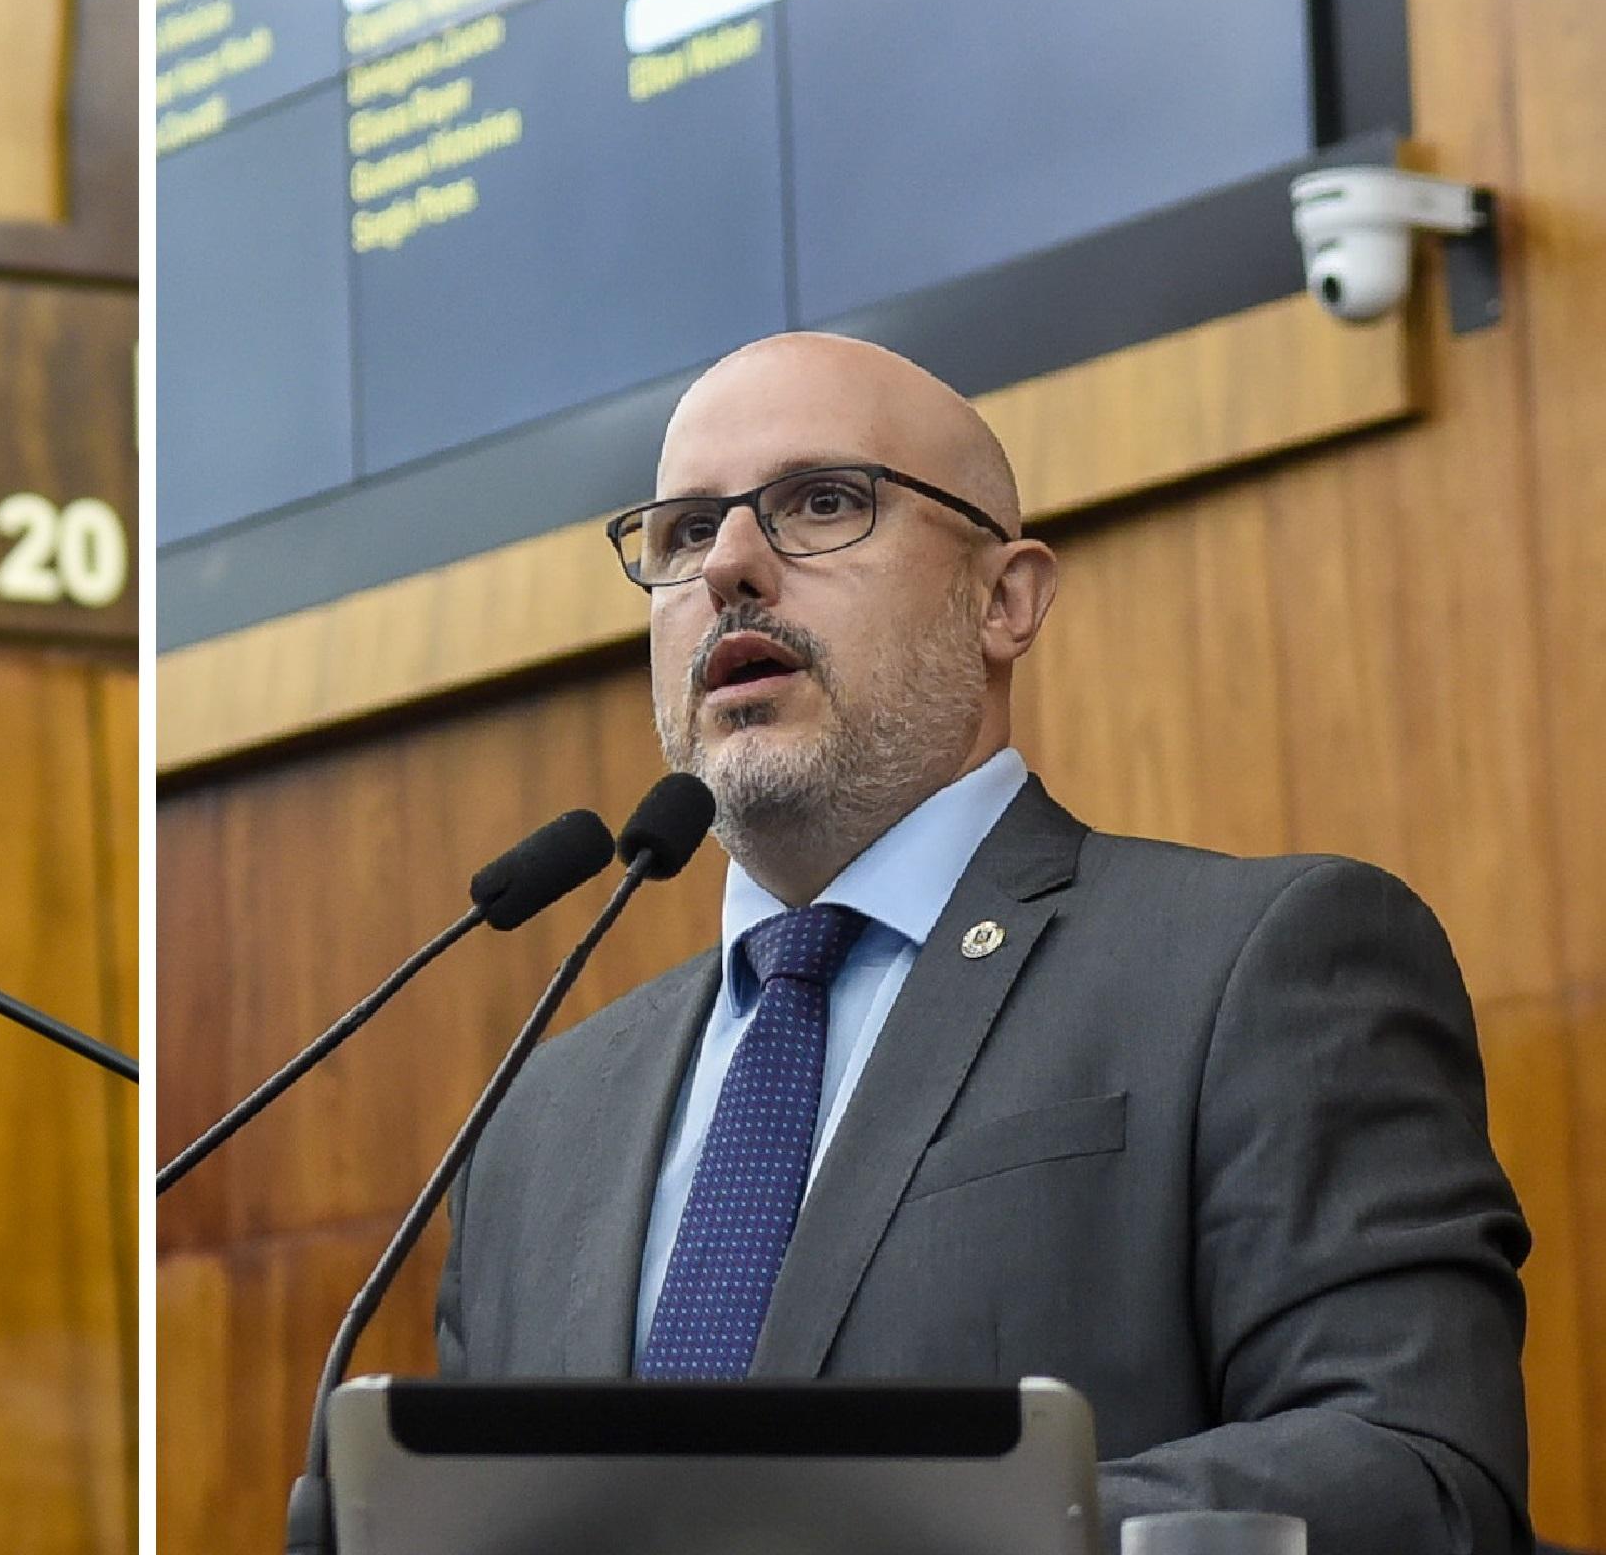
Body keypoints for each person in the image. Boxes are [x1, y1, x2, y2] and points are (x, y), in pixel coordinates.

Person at [434, 332, 1531, 1555]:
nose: (731, 565)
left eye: (823, 502)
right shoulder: (535, 1124)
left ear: (1005, 600)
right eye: (687, 531)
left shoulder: (1252, 965)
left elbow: (1416, 1472)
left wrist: (872, 1533)